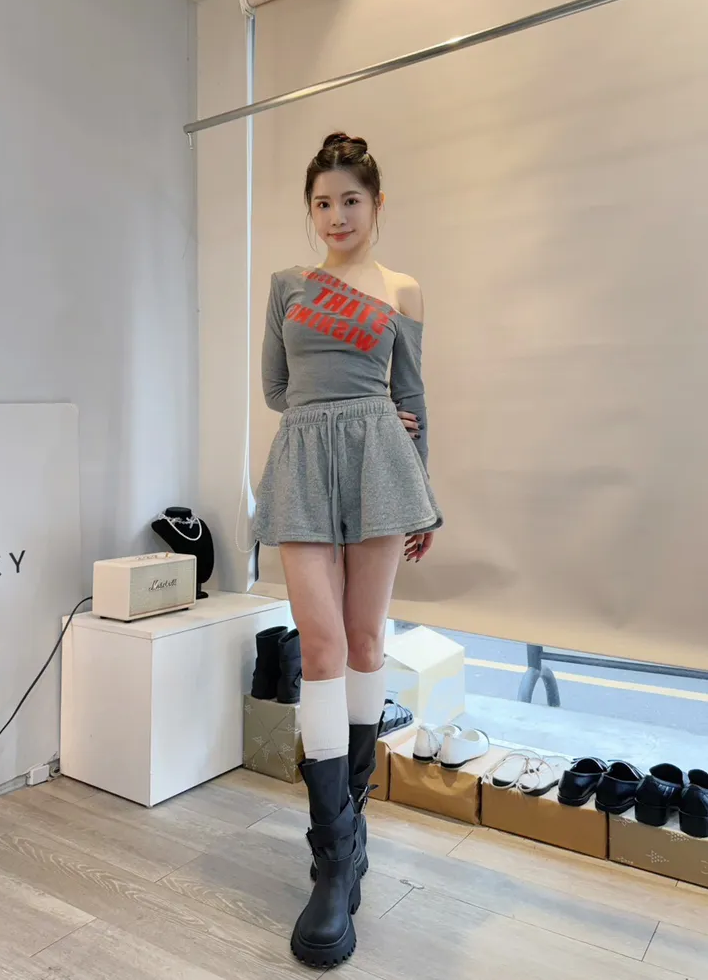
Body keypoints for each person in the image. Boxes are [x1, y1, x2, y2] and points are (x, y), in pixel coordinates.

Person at [255, 132, 442, 968]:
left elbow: (414, 396)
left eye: (350, 200)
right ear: (312, 209)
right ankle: (332, 857)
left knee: (365, 642)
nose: (336, 215)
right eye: (322, 202)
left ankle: (351, 834)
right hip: (303, 463)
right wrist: (339, 412)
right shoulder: (287, 286)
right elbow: (276, 388)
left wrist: (419, 484)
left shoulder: (402, 290)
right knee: (321, 646)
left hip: (380, 468)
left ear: (376, 204)